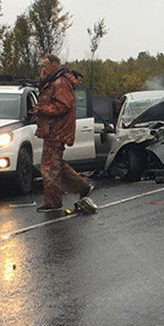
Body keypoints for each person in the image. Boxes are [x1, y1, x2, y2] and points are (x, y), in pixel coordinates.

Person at [31, 54, 92, 212]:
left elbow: (63, 106)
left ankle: (53, 202)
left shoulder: (60, 83)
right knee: (54, 164)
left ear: (54, 66)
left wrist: (41, 110)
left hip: (57, 131)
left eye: (45, 66)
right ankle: (82, 186)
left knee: (50, 168)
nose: (42, 70)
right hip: (51, 131)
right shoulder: (52, 82)